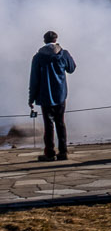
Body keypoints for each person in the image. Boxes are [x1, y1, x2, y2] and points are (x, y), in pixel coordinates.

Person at [28, 31, 76, 162]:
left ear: (44, 41)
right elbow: (71, 68)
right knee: (60, 123)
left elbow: (34, 79)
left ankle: (49, 153)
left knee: (48, 125)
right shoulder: (63, 53)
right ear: (56, 39)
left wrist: (31, 98)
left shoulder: (38, 57)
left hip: (45, 95)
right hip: (60, 94)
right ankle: (63, 152)